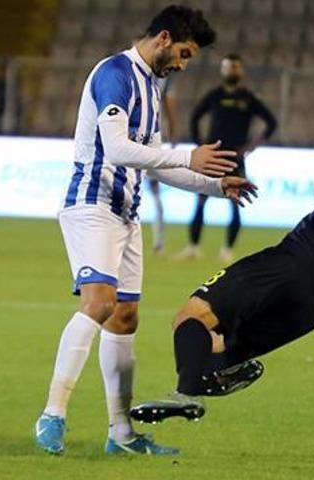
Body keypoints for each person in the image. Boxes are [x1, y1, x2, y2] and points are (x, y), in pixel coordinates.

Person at [34, 5, 257, 456]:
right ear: (164, 38)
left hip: (126, 213)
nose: (183, 64)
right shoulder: (115, 73)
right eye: (184, 53)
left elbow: (152, 162)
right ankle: (52, 414)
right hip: (92, 204)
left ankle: (122, 434)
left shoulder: (153, 87)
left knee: (126, 317)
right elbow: (117, 148)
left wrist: (214, 185)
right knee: (99, 303)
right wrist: (186, 156)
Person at [130, 125, 314, 424]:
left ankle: (188, 394)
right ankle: (212, 376)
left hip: (290, 264)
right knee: (215, 347)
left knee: (190, 317)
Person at [177, 53, 277, 263]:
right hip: (213, 156)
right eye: (228, 67)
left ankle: (227, 250)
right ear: (222, 70)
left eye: (235, 67)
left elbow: (271, 122)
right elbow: (195, 117)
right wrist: (200, 143)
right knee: (201, 200)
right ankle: (193, 247)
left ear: (241, 71)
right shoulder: (214, 95)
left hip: (235, 158)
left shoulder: (248, 98)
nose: (232, 71)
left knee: (235, 201)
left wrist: (251, 147)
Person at [145, 76, 178, 254]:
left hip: (145, 141)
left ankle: (158, 241)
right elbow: (169, 106)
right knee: (154, 193)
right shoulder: (163, 78)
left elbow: (169, 105)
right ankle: (159, 242)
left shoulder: (129, 71)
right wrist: (173, 133)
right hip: (152, 142)